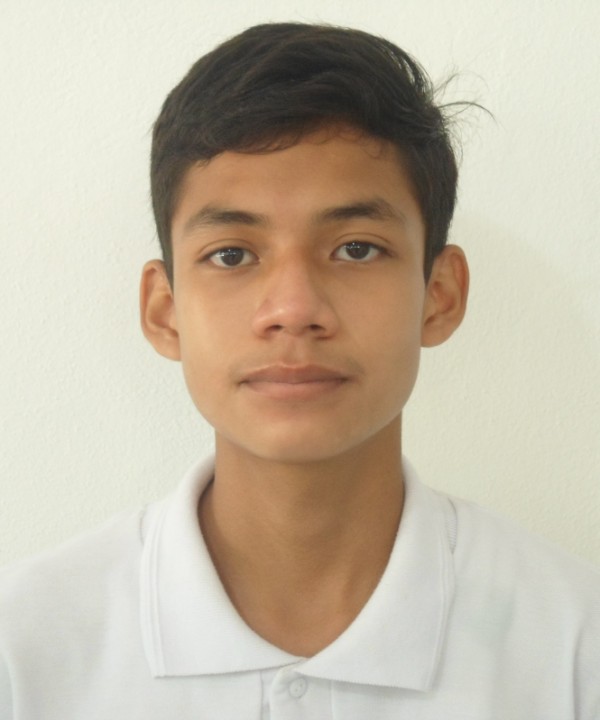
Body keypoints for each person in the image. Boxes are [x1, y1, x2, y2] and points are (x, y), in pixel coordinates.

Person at [1, 22, 598, 720]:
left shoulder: (573, 645)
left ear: (440, 296)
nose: (293, 310)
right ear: (165, 312)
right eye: (231, 255)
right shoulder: (25, 648)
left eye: (356, 249)